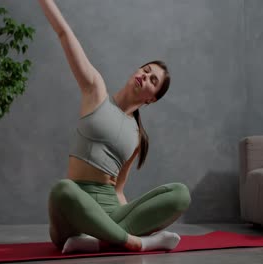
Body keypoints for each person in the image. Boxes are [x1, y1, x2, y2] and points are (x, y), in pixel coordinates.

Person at [38, 0, 191, 254]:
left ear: (152, 98)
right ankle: (134, 242)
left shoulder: (136, 137)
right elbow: (64, 33)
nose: (145, 75)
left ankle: (100, 240)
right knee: (62, 190)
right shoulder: (95, 91)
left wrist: (128, 216)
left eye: (153, 79)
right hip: (74, 213)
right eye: (145, 69)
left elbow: (118, 190)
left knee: (181, 194)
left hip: (110, 213)